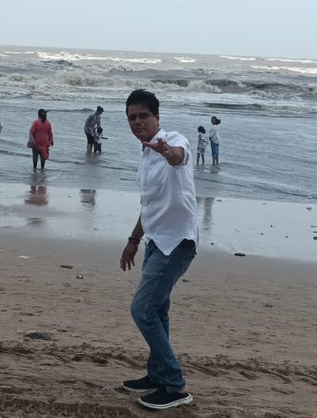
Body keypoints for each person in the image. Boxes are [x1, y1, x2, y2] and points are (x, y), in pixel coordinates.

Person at [118, 89, 199, 411]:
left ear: (157, 118)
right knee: (158, 311)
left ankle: (176, 386)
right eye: (131, 118)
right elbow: (149, 205)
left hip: (178, 243)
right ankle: (157, 375)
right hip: (156, 241)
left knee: (142, 310)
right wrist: (134, 240)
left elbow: (180, 156)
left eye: (143, 116)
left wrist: (169, 152)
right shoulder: (144, 154)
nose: (137, 122)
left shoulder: (173, 141)